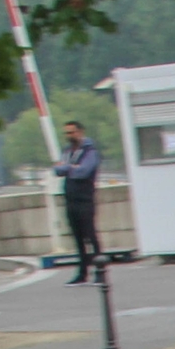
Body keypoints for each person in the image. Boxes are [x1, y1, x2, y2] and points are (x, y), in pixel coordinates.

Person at [58, 120, 102, 283]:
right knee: (77, 237)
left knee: (90, 234)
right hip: (70, 198)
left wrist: (67, 168)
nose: (69, 136)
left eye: (72, 132)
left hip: (85, 198)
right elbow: (57, 169)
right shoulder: (67, 151)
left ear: (80, 132)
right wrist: (71, 167)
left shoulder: (90, 151)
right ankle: (82, 272)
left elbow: (84, 171)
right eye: (66, 133)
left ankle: (99, 269)